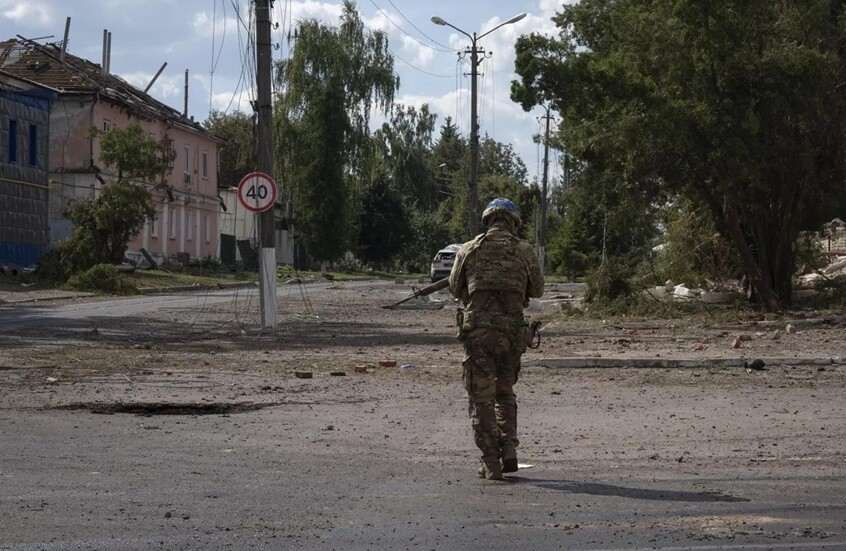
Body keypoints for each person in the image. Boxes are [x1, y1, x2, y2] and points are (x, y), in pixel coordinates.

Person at [448, 198, 544, 480]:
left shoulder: (469, 249)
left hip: (478, 334)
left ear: (488, 220)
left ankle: (491, 461)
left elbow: (455, 287)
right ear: (513, 222)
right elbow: (537, 290)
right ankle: (509, 447)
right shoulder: (524, 251)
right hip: (511, 335)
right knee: (505, 392)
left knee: (481, 398)